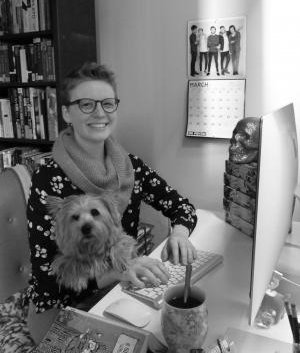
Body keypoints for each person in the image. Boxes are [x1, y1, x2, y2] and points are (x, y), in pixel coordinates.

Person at [26, 62, 198, 343]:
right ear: (66, 112)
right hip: (60, 311)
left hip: (118, 294)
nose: (99, 113)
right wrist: (120, 272)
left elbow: (183, 207)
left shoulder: (130, 168)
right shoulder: (47, 178)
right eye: (86, 104)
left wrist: (179, 234)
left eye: (108, 104)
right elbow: (49, 282)